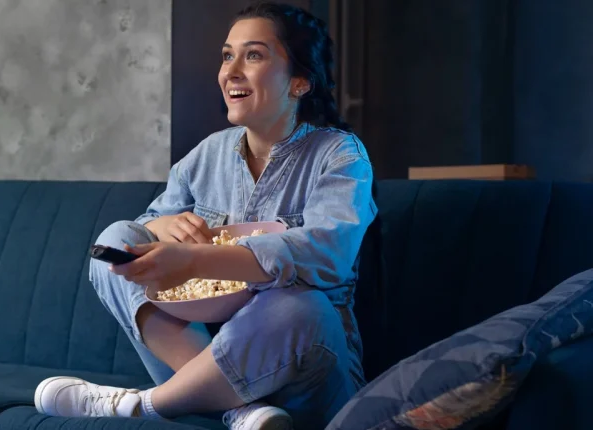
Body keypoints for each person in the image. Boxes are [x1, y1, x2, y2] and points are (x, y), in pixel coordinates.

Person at [34, 2, 377, 429]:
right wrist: (162, 228)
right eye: (227, 55)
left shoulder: (341, 155)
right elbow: (149, 221)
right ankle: (240, 409)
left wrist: (195, 259)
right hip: (207, 358)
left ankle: (142, 405)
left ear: (300, 82)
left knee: (303, 308)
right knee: (118, 241)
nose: (230, 70)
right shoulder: (207, 155)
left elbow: (328, 252)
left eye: (253, 55)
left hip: (305, 371)